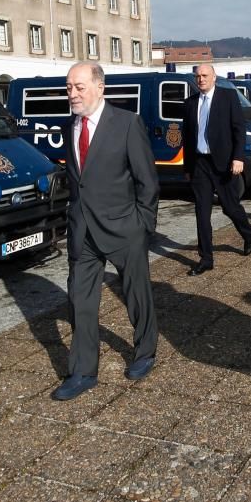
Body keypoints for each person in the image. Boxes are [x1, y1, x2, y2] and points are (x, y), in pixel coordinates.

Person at [52, 62, 160, 401]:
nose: (72, 94)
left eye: (79, 87)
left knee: (136, 295)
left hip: (124, 227)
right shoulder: (70, 125)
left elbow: (147, 180)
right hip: (82, 230)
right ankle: (82, 372)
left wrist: (143, 226)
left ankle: (145, 352)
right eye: (69, 87)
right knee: (80, 303)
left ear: (100, 87)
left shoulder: (126, 123)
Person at [182, 64, 251, 276]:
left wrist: (238, 157)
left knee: (230, 207)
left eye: (205, 75)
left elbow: (239, 129)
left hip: (223, 164)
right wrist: (188, 167)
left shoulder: (228, 97)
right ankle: (206, 258)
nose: (201, 79)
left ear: (214, 77)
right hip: (199, 164)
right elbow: (187, 138)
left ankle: (247, 231)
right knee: (202, 213)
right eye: (198, 76)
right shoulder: (189, 103)